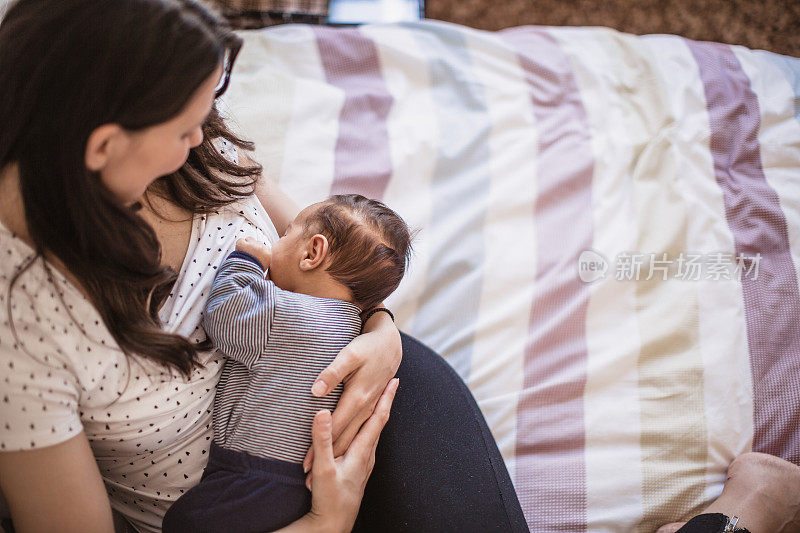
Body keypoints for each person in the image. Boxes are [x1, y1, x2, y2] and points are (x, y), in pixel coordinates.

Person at [0, 1, 528, 532]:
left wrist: (377, 326)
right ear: (104, 146)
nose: (203, 138)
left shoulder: (175, 108)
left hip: (360, 375)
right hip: (245, 504)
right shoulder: (19, 327)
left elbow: (321, 244)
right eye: (187, 130)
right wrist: (325, 524)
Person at [163, 195, 413, 532]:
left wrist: (246, 259)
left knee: (185, 524)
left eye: (285, 235)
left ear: (311, 253)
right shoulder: (354, 329)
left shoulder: (281, 312)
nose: (275, 240)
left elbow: (223, 315)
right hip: (307, 486)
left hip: (254, 476)